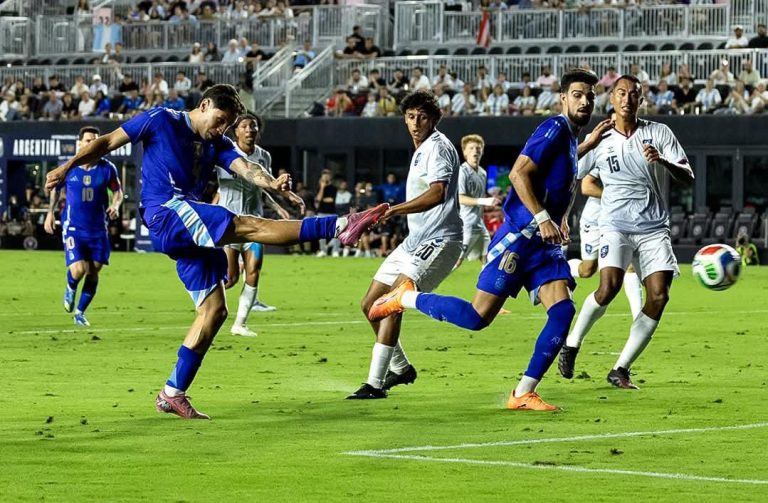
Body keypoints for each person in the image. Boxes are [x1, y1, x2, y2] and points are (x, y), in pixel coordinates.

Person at [44, 84, 388, 419]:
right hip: (167, 211)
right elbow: (106, 142)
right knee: (248, 226)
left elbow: (245, 167)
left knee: (214, 311)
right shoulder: (160, 119)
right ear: (205, 105)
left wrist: (272, 183)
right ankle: (340, 226)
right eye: (221, 119)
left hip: (186, 225)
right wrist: (66, 167)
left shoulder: (218, 142)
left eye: (229, 124)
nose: (222, 128)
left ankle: (172, 393)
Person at [366, 69, 608, 411]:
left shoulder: (569, 137)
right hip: (521, 240)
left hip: (544, 246)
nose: (585, 101)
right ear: (563, 98)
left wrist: (582, 158)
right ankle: (406, 298)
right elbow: (519, 173)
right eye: (578, 95)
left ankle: (523, 392)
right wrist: (541, 217)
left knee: (563, 311)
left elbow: (558, 180)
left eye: (590, 96)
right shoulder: (553, 127)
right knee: (476, 318)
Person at [558, 75, 694, 390]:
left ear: (641, 99)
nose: (628, 99)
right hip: (615, 225)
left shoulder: (659, 133)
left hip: (653, 228)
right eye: (621, 93)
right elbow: (568, 170)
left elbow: (688, 175)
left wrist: (663, 162)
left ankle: (620, 368)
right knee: (609, 287)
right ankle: (572, 343)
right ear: (612, 99)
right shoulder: (602, 136)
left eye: (634, 94)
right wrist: (587, 144)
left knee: (659, 295)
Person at [347, 90, 464, 400]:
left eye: (422, 116)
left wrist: (392, 209)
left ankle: (374, 384)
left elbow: (437, 193)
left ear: (434, 119)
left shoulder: (437, 148)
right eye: (410, 116)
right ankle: (400, 368)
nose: (415, 122)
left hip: (440, 241)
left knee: (391, 303)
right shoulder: (421, 148)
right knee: (369, 304)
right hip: (415, 242)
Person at [214, 113, 303, 337]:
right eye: (244, 126)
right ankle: (205, 301)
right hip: (230, 223)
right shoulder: (224, 153)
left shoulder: (264, 156)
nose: (250, 130)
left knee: (253, 271)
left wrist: (284, 201)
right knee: (232, 277)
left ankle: (240, 324)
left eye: (253, 126)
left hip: (256, 223)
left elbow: (263, 186)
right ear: (236, 131)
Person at [44, 126, 123, 326]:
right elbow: (54, 189)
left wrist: (115, 205)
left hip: (98, 229)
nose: (92, 144)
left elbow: (117, 191)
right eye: (88, 140)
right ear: (80, 143)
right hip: (73, 228)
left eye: (95, 140)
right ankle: (70, 288)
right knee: (78, 269)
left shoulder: (107, 168)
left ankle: (80, 312)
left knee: (93, 270)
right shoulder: (68, 168)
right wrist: (50, 213)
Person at [454, 134, 500, 269]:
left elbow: (479, 198)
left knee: (488, 258)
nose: (475, 151)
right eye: (471, 148)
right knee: (457, 261)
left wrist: (492, 200)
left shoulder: (483, 173)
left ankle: (485, 288)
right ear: (464, 152)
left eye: (478, 148)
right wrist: (484, 201)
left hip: (479, 224)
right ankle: (425, 285)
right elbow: (460, 198)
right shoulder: (462, 172)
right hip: (466, 224)